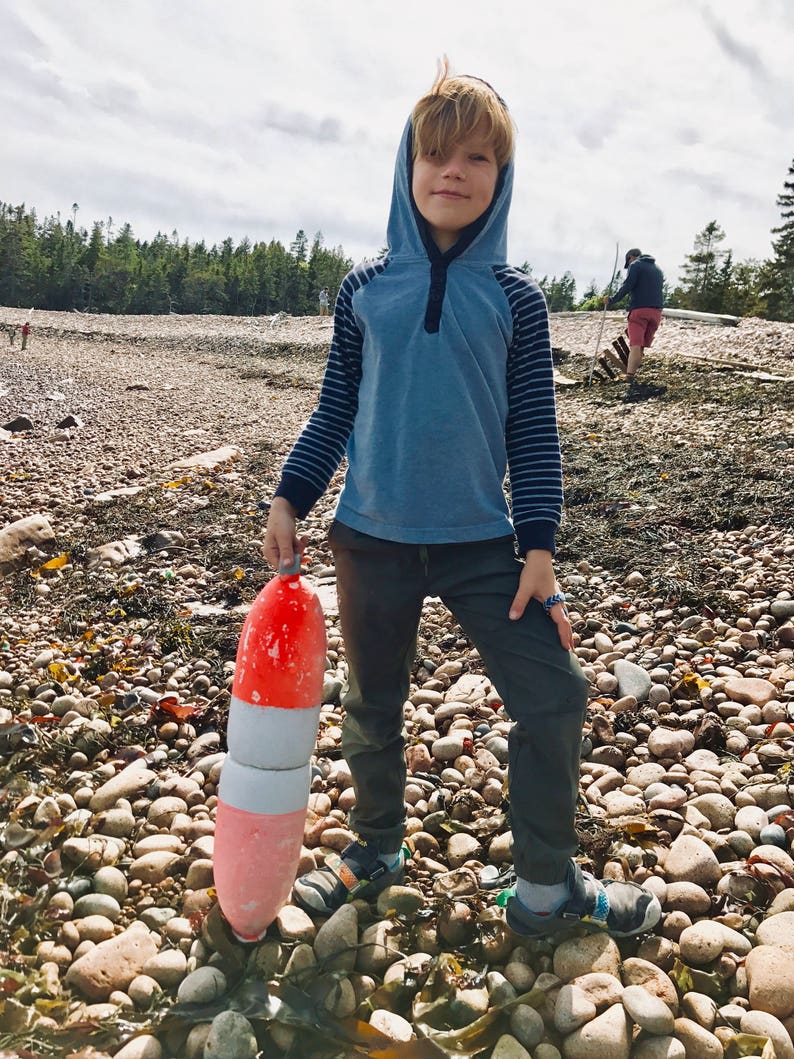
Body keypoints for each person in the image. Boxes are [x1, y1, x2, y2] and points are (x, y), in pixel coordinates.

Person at [264, 63, 661, 939]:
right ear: (406, 169)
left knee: (555, 693)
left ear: (503, 178)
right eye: (436, 154)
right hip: (370, 536)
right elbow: (336, 405)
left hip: (486, 543)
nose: (455, 171)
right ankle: (375, 848)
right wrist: (292, 494)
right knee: (372, 704)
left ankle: (546, 887)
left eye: (479, 157)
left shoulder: (517, 299)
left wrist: (541, 545)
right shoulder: (365, 289)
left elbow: (534, 433)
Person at [605, 249, 664, 385]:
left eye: (628, 262)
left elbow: (628, 285)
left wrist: (613, 300)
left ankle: (630, 376)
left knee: (635, 345)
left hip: (639, 311)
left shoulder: (635, 265)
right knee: (641, 345)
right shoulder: (658, 269)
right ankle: (633, 370)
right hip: (656, 312)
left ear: (630, 257)